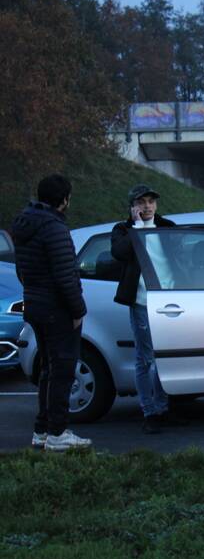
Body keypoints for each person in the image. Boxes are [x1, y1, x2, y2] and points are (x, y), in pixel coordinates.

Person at [12, 174, 91, 451]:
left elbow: (22, 270)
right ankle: (58, 433)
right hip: (57, 309)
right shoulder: (55, 228)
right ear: (64, 200)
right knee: (63, 371)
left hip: (35, 304)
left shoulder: (25, 224)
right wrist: (78, 310)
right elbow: (65, 276)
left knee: (48, 368)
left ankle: (42, 431)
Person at [110, 184, 185, 434]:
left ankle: (163, 408)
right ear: (132, 207)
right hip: (143, 303)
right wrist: (138, 227)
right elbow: (119, 253)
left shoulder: (167, 227)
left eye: (151, 201)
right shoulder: (123, 230)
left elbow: (181, 258)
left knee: (167, 358)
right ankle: (149, 411)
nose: (147, 206)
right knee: (146, 359)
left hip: (171, 302)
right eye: (141, 202)